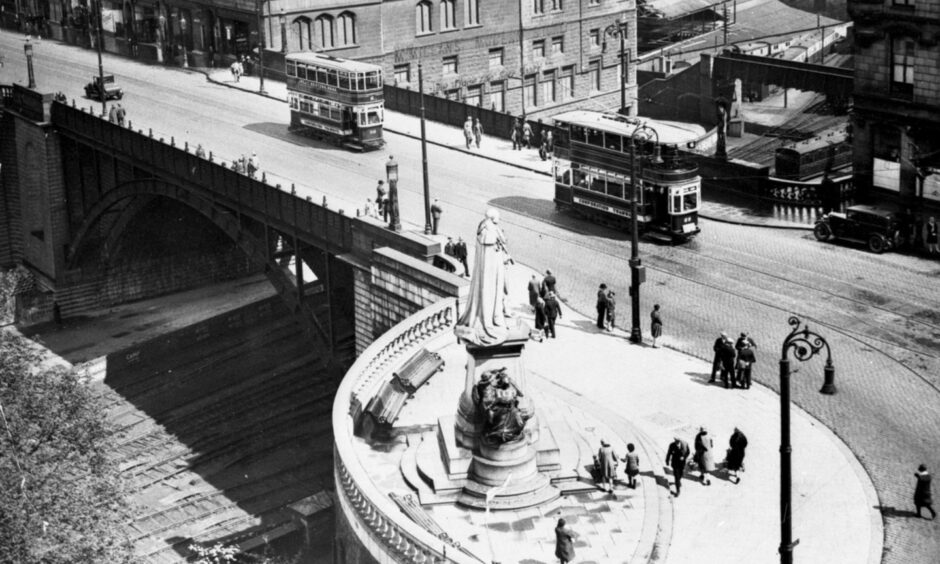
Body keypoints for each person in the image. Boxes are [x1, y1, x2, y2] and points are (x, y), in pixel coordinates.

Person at [455, 209, 512, 346]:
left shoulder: (488, 227)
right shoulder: (488, 232)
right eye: (498, 216)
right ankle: (489, 321)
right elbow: (490, 256)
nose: (499, 218)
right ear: (492, 218)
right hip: (490, 275)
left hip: (492, 273)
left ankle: (494, 317)